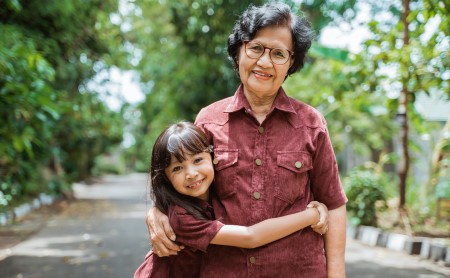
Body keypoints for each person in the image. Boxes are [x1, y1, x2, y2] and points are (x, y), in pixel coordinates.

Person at [147, 3, 348, 278]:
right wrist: (157, 212)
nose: (264, 62)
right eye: (256, 48)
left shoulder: (311, 123)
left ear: (291, 63)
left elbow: (334, 204)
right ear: (239, 51)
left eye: (279, 53)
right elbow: (184, 182)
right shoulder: (208, 120)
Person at [135, 121, 328, 277]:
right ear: (166, 177)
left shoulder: (214, 193)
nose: (191, 173)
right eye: (177, 168)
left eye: (197, 160)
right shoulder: (182, 217)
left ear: (212, 156)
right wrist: (311, 215)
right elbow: (251, 237)